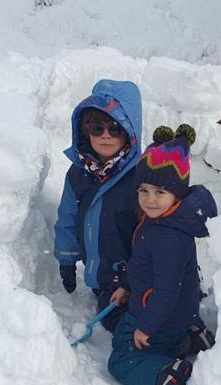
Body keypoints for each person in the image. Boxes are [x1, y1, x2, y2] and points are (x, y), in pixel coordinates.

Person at [107, 124, 218, 385]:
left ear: (177, 194)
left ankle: (167, 374)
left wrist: (147, 326)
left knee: (120, 360)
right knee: (120, 331)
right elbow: (143, 263)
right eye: (143, 190)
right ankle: (188, 333)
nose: (149, 199)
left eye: (159, 191)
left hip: (161, 316)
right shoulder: (158, 221)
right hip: (169, 312)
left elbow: (167, 292)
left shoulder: (169, 237)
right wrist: (127, 285)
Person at [54, 79, 142, 331]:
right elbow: (68, 217)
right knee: (111, 315)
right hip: (100, 276)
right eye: (96, 128)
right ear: (84, 131)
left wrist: (135, 275)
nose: (105, 135)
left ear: (129, 131)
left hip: (131, 274)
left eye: (115, 128)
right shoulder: (78, 173)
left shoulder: (139, 177)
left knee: (123, 322)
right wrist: (67, 260)